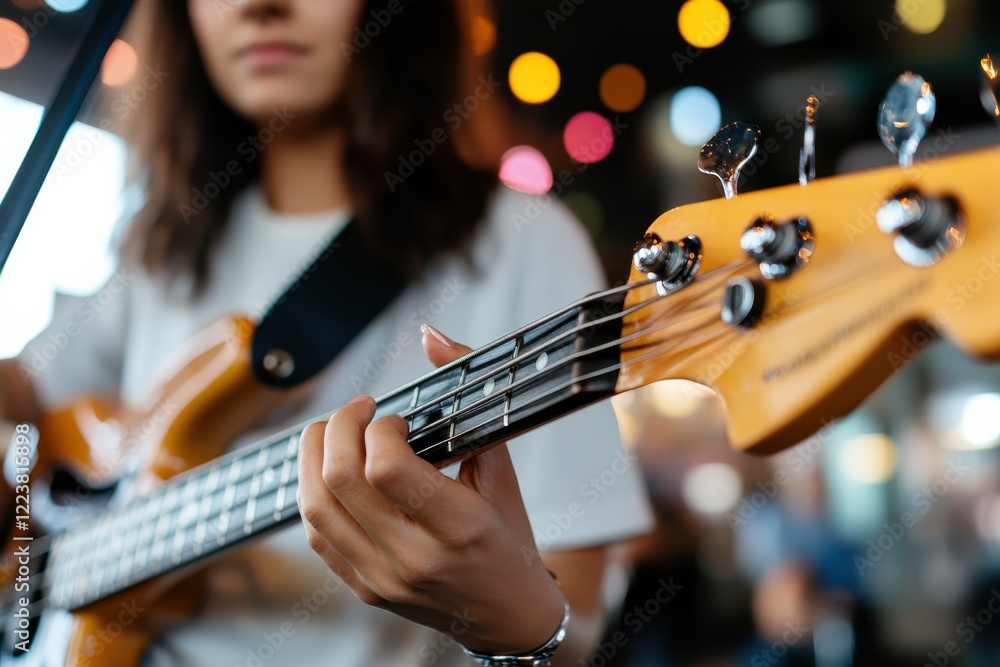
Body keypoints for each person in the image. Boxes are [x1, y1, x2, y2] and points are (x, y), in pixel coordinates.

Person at [0, 0, 654, 665]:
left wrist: (515, 620)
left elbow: (579, 614)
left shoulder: (524, 242)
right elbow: (27, 394)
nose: (261, 7)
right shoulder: (166, 240)